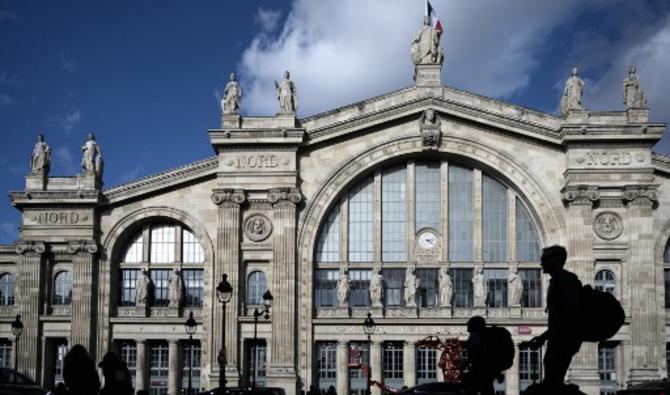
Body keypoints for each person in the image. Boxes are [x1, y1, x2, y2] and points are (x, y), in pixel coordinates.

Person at [530, 245, 582, 393]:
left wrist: (547, 336)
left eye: (545, 259)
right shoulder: (556, 281)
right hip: (558, 338)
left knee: (552, 381)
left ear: (556, 260)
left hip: (564, 339)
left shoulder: (567, 281)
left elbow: (569, 316)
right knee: (552, 380)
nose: (541, 263)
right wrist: (544, 337)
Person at [463, 316, 495, 395]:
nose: (467, 324)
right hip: (485, 373)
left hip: (478, 372)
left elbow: (475, 354)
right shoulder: (484, 337)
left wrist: (466, 364)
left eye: (469, 323)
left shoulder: (475, 337)